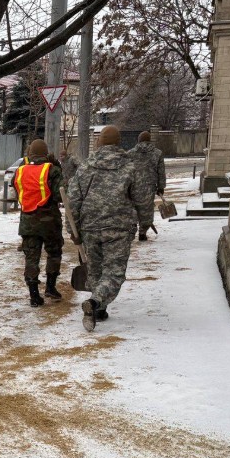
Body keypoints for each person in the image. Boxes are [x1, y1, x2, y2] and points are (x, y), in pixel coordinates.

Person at [67, 126, 150, 331]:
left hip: (90, 228)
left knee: (95, 271)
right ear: (118, 142)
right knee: (114, 272)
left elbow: (73, 202)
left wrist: (73, 230)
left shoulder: (85, 167)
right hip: (119, 229)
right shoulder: (130, 167)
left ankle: (98, 310)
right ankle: (96, 303)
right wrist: (145, 222)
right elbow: (142, 199)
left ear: (100, 143)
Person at [13, 139, 65, 306]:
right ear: (46, 153)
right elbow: (60, 194)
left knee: (31, 257)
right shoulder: (52, 170)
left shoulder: (20, 171)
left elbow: (18, 192)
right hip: (50, 221)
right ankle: (50, 287)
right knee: (54, 253)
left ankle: (34, 295)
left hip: (28, 221)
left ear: (30, 153)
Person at [128, 131, 165, 241]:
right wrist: (161, 187)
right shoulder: (158, 153)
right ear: (149, 140)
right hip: (149, 188)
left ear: (138, 140)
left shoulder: (130, 153)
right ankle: (142, 233)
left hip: (133, 187)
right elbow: (161, 172)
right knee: (147, 210)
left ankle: (132, 230)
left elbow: (126, 171)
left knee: (132, 209)